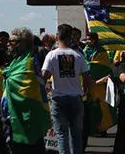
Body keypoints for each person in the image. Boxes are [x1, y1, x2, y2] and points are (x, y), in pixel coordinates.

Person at [42, 24, 92, 154]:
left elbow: (43, 75)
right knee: (76, 135)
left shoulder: (51, 55)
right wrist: (84, 91)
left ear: (57, 36)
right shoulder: (78, 55)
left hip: (59, 98)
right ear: (70, 37)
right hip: (76, 97)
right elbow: (87, 77)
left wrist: (47, 84)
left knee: (62, 135)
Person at [2, 28, 50, 154]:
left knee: (29, 146)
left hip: (28, 114)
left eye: (11, 41)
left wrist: (6, 77)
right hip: (16, 114)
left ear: (22, 43)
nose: (8, 44)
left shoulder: (28, 61)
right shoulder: (17, 60)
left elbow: (26, 86)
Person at [82, 32, 114, 145]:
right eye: (87, 39)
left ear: (95, 39)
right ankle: (92, 128)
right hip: (88, 82)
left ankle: (103, 127)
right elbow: (83, 64)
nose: (88, 41)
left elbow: (102, 66)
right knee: (89, 107)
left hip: (99, 83)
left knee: (101, 105)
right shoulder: (84, 51)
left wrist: (88, 66)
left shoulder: (102, 51)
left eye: (90, 39)